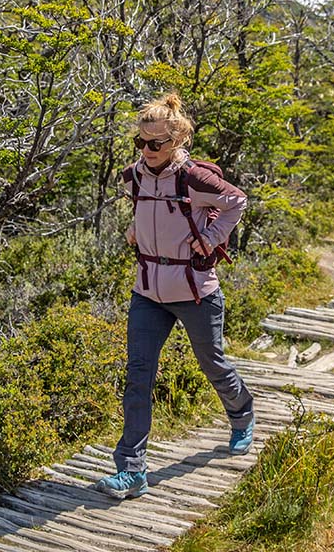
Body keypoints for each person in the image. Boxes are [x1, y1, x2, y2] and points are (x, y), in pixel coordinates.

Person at [95, 93, 255, 500]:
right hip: (147, 290)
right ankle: (131, 471)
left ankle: (241, 412)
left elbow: (237, 200)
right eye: (141, 142)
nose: (147, 150)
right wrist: (135, 229)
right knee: (138, 376)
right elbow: (145, 209)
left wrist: (212, 238)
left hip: (194, 291)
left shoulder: (194, 178)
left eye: (155, 143)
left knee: (212, 362)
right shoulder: (134, 175)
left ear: (177, 140)